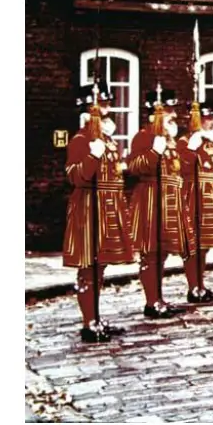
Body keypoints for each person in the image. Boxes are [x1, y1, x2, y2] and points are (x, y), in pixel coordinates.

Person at [63, 83, 134, 342]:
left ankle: (95, 317)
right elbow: (75, 176)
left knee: (99, 267)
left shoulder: (106, 139)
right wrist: (92, 157)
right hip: (89, 207)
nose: (108, 110)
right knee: (88, 267)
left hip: (107, 206)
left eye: (107, 105)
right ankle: (88, 323)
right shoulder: (81, 140)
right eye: (102, 106)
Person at [126, 87, 196, 318]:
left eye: (171, 109)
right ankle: (151, 301)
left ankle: (158, 298)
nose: (172, 114)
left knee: (162, 252)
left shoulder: (170, 140)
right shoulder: (144, 137)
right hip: (150, 199)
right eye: (167, 110)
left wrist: (189, 153)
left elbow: (179, 169)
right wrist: (154, 153)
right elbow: (135, 167)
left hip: (170, 199)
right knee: (151, 252)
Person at [176, 101, 213, 303]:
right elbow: (184, 168)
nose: (212, 122)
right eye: (207, 118)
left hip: (211, 196)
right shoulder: (184, 142)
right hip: (194, 195)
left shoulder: (211, 142)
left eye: (212, 118)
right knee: (193, 244)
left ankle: (201, 285)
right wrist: (191, 150)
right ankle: (193, 287)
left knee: (205, 244)